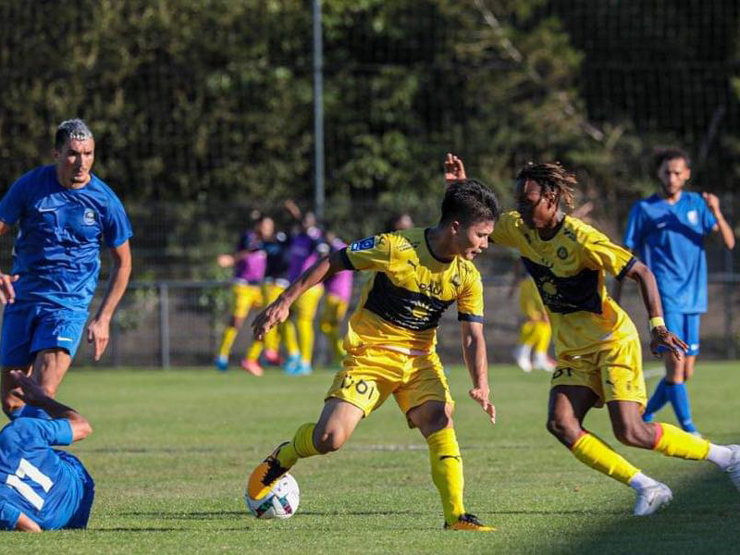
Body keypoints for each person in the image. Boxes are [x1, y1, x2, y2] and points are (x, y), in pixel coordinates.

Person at [446, 154, 740, 516]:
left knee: (631, 431)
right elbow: (482, 222)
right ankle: (648, 487)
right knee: (561, 424)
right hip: (573, 351)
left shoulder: (582, 239)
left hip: (611, 343)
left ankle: (727, 456)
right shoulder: (519, 227)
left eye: (529, 200)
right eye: (519, 200)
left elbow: (642, 273)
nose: (520, 208)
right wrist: (460, 188)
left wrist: (658, 327)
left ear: (551, 198)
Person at [247, 179, 500, 531]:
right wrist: (284, 301)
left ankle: (455, 515)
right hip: (370, 355)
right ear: (456, 227)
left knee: (439, 419)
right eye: (482, 235)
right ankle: (282, 457)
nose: (486, 244)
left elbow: (473, 336)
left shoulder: (467, 276)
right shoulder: (396, 247)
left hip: (419, 360)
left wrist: (482, 386)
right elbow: (334, 261)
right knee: (328, 439)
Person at [0, 119, 133, 420]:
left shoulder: (105, 201)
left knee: (42, 395)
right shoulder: (30, 186)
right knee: (12, 401)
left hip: (67, 306)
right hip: (23, 298)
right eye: (73, 153)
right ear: (56, 154)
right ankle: (33, 448)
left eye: (88, 154)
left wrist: (104, 317)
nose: (81, 162)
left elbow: (123, 262)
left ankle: (35, 458)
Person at [615, 148, 735, 435]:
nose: (672, 177)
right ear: (658, 173)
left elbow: (729, 242)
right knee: (676, 371)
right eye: (667, 172)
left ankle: (645, 412)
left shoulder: (696, 204)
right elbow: (626, 254)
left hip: (694, 296)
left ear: (687, 175)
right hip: (665, 297)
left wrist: (716, 209)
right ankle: (690, 430)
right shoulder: (644, 209)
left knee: (685, 372)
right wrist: (615, 295)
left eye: (677, 172)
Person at [0, 370, 95, 531]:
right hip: (79, 487)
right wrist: (42, 400)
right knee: (32, 438)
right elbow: (83, 428)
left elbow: (32, 528)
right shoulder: (18, 431)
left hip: (64, 520)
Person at [215, 214, 274, 375]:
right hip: (243, 286)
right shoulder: (250, 237)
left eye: (270, 226)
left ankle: (251, 359)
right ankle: (222, 356)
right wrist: (232, 259)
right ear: (258, 226)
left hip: (258, 288)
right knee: (236, 322)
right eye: (266, 226)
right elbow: (249, 249)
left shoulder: (270, 244)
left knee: (266, 322)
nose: (269, 229)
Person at [282, 207, 330, 376]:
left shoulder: (314, 238)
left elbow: (324, 250)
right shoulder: (297, 237)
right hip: (293, 285)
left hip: (309, 287)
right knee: (283, 318)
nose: (304, 224)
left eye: (308, 221)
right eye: (303, 221)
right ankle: (294, 353)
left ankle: (305, 362)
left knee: (304, 323)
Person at [319, 231, 354, 368]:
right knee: (330, 327)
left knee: (329, 326)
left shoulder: (338, 248)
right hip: (340, 294)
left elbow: (337, 269)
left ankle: (342, 354)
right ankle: (338, 356)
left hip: (336, 294)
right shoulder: (341, 247)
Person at [512, 275, 554, 372]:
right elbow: (538, 296)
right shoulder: (533, 281)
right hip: (536, 307)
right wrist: (544, 312)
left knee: (543, 328)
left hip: (534, 301)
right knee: (535, 326)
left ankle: (539, 356)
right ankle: (523, 352)